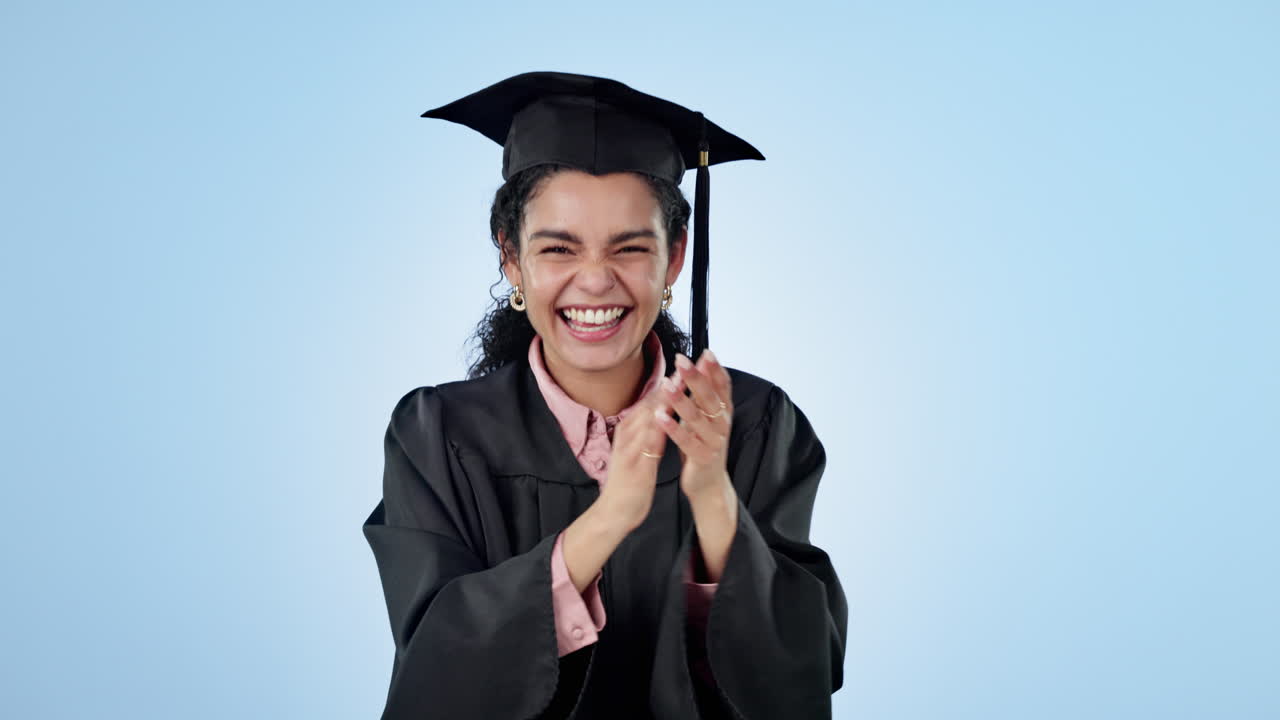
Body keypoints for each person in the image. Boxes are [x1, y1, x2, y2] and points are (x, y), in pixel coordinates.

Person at [362, 71, 848, 720]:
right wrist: (611, 515)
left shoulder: (756, 425)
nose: (594, 281)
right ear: (511, 259)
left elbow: (804, 672)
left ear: (675, 258)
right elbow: (436, 674)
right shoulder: (438, 434)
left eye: (630, 247)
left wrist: (711, 496)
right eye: (558, 248)